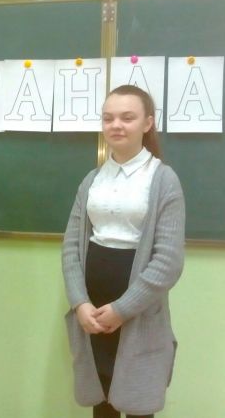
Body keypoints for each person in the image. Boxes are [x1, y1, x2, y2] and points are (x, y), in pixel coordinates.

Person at [61, 85, 185, 418]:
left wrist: (122, 310)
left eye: (127, 117)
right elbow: (71, 247)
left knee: (137, 404)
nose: (116, 125)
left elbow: (168, 262)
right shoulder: (92, 179)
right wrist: (80, 303)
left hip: (137, 311)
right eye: (108, 118)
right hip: (93, 309)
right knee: (101, 401)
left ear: (147, 123)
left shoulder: (163, 180)